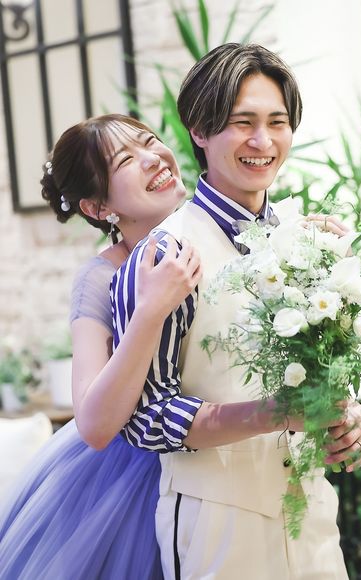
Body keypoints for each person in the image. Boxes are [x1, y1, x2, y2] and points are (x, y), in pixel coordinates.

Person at [112, 43, 361, 580]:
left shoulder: (309, 240)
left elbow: (324, 377)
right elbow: (145, 418)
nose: (263, 141)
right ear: (200, 130)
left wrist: (348, 422)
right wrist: (273, 413)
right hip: (217, 529)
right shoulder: (164, 255)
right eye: (242, 123)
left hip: (313, 521)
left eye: (277, 122)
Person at [0, 113, 202, 580]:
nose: (154, 158)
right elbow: (92, 424)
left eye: (150, 141)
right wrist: (150, 311)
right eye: (126, 160)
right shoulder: (101, 277)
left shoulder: (218, 235)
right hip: (134, 481)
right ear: (96, 207)